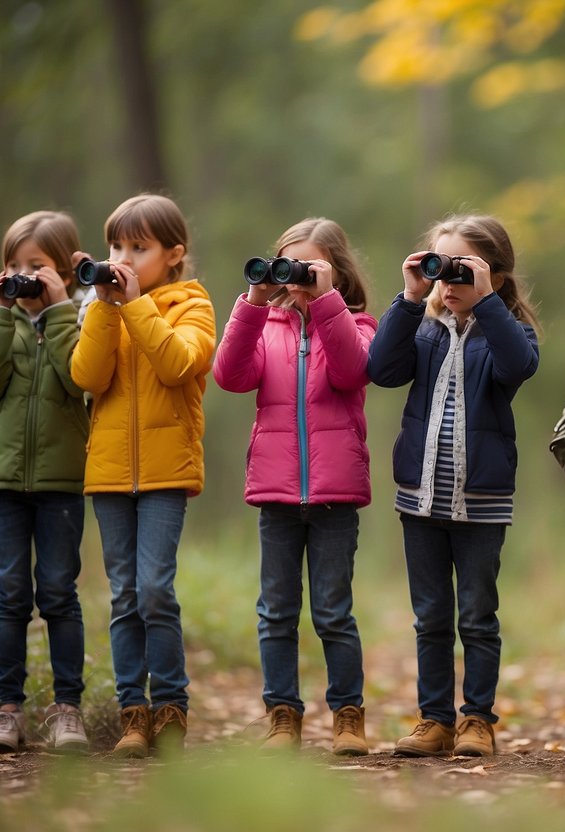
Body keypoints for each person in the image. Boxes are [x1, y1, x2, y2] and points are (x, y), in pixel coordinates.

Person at [368, 215, 540, 758]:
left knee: (477, 615)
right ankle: (436, 719)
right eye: (439, 264)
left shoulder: (507, 331)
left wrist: (487, 300)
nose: (449, 279)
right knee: (431, 616)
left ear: (494, 274)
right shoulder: (422, 327)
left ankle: (477, 720)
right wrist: (409, 296)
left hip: (482, 499)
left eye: (461, 267)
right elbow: (381, 369)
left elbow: (521, 366)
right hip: (420, 496)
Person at [213, 218, 377, 755]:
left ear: (335, 269)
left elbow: (352, 372)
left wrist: (326, 301)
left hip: (334, 494)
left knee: (333, 611)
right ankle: (281, 716)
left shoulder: (359, 324)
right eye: (288, 264)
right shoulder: (266, 327)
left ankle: (347, 716)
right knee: (276, 611)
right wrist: (253, 301)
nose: (296, 276)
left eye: (308, 265)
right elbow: (229, 376)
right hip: (277, 492)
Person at [71, 194, 216, 757]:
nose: (123, 257)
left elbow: (180, 363)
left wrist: (135, 306)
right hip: (108, 474)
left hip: (165, 473)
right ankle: (134, 714)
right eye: (116, 245)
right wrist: (105, 307)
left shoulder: (193, 305)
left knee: (155, 588)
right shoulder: (102, 308)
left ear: (173, 254)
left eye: (139, 247)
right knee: (124, 594)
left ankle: (171, 708)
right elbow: (86, 375)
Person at [0, 211, 91, 753]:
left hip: (61, 482)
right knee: (11, 593)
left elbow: (78, 378)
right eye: (13, 266)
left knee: (59, 593)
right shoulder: (5, 323)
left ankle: (68, 710)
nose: (23, 277)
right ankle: (7, 710)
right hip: (3, 482)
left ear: (63, 270)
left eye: (36, 266)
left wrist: (59, 309)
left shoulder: (80, 320)